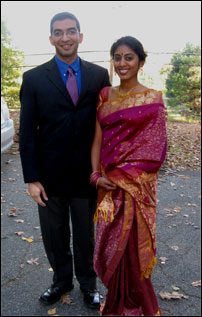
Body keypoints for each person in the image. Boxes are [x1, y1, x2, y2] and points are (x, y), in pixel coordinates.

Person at [19, 12, 111, 309]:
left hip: (87, 175)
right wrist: (32, 178)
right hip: (49, 177)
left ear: (80, 36)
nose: (65, 37)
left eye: (71, 31)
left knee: (87, 236)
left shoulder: (99, 76)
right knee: (54, 236)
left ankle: (88, 284)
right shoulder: (33, 79)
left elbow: (108, 126)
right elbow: (27, 133)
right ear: (51, 39)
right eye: (58, 32)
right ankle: (60, 281)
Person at [91, 36, 167, 316]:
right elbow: (97, 140)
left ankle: (140, 308)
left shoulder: (152, 99)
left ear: (141, 61)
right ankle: (115, 304)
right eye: (117, 57)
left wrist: (124, 177)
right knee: (109, 250)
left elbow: (155, 149)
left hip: (135, 189)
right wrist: (95, 176)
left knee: (133, 254)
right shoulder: (104, 95)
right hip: (107, 187)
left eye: (129, 57)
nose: (122, 63)